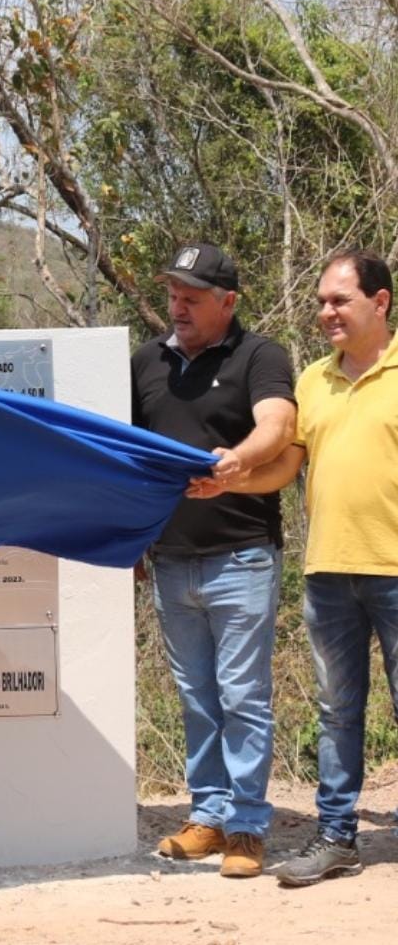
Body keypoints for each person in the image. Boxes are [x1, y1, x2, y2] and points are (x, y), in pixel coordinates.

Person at [193, 250, 398, 886]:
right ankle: (337, 836)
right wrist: (230, 480)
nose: (325, 312)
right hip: (329, 571)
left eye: (339, 300)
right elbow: (288, 466)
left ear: (381, 302)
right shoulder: (312, 379)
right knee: (336, 712)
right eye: (320, 301)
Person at [131, 241, 296, 877]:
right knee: (197, 696)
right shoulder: (145, 362)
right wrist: (126, 541)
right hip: (170, 559)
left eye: (192, 297)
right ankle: (209, 815)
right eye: (173, 294)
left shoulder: (261, 355)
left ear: (227, 302)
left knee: (243, 695)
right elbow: (120, 454)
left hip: (243, 558)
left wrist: (239, 460)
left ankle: (249, 827)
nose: (178, 306)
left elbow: (277, 425)